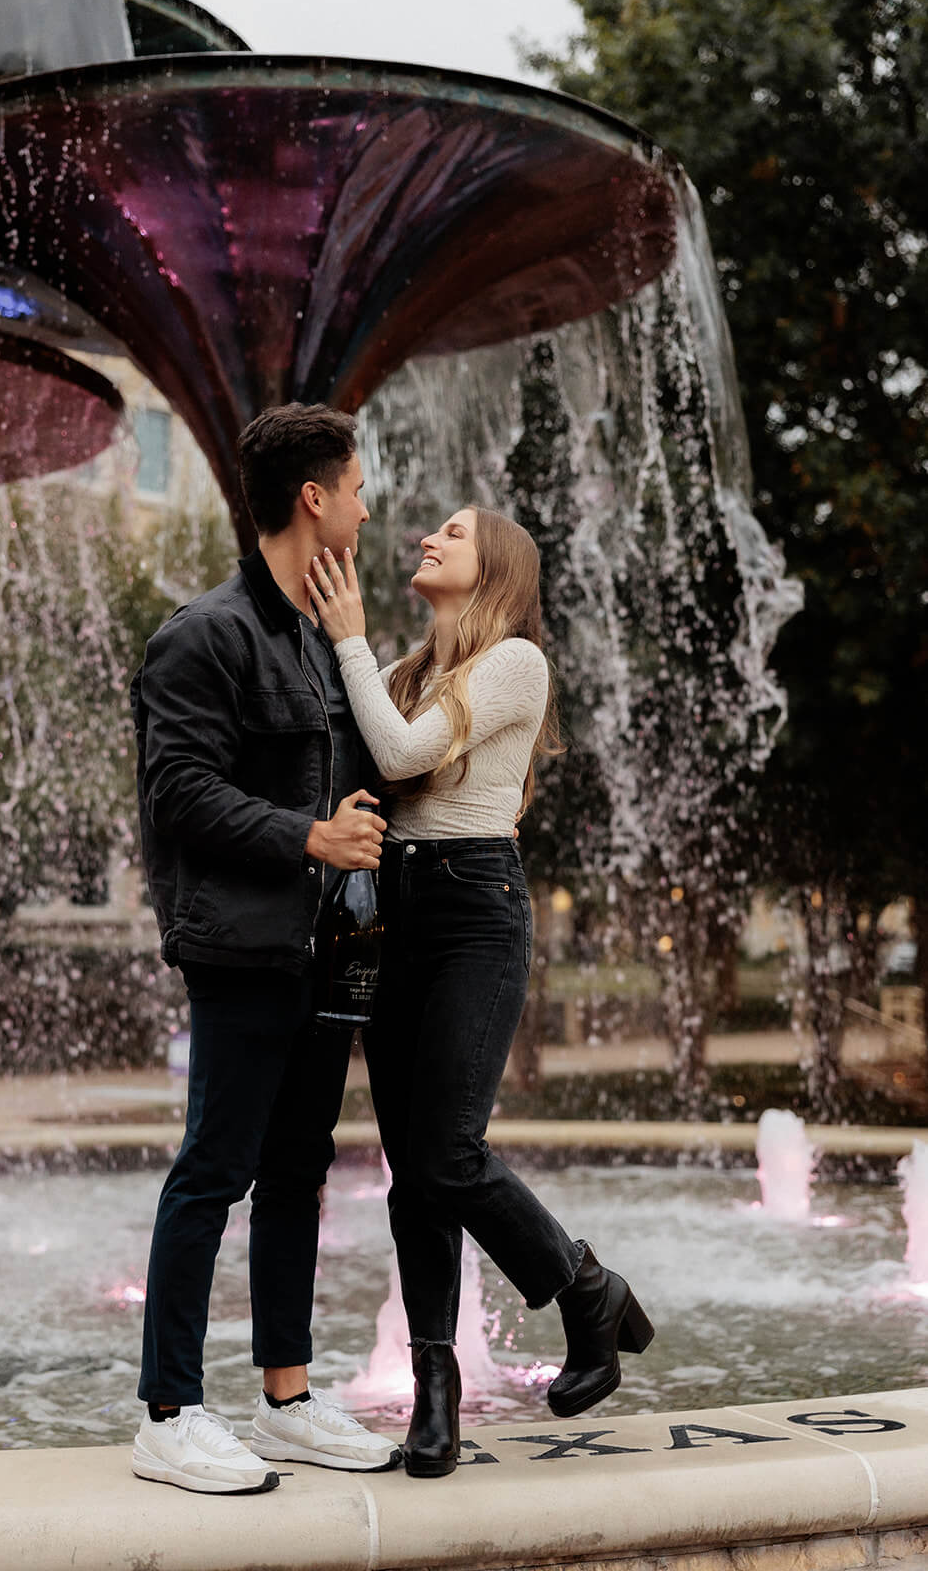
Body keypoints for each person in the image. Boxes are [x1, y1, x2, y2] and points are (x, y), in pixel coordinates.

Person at [307, 506, 654, 1479]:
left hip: (472, 908)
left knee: (447, 1150)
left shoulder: (514, 662)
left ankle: (583, 1287)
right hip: (394, 918)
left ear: (491, 565)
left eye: (450, 533)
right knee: (412, 1172)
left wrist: (347, 641)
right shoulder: (413, 674)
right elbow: (366, 750)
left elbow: (407, 755)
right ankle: (435, 1395)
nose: (427, 538)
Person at [128, 403, 401, 1494]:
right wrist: (310, 835)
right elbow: (178, 791)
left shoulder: (318, 638)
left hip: (324, 952)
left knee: (296, 1172)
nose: (369, 506)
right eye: (357, 487)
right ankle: (169, 1410)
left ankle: (284, 1396)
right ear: (313, 500)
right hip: (238, 945)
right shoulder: (205, 633)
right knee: (213, 1173)